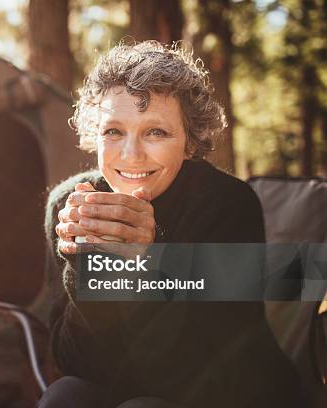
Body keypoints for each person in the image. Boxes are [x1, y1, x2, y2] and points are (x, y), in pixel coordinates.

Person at [39, 41, 304, 408]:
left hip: (231, 389)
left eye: (156, 132)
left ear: (190, 142)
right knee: (64, 396)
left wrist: (144, 264)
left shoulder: (226, 205)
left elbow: (206, 371)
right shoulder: (71, 206)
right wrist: (87, 265)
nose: (130, 155)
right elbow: (74, 361)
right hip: (121, 380)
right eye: (113, 131)